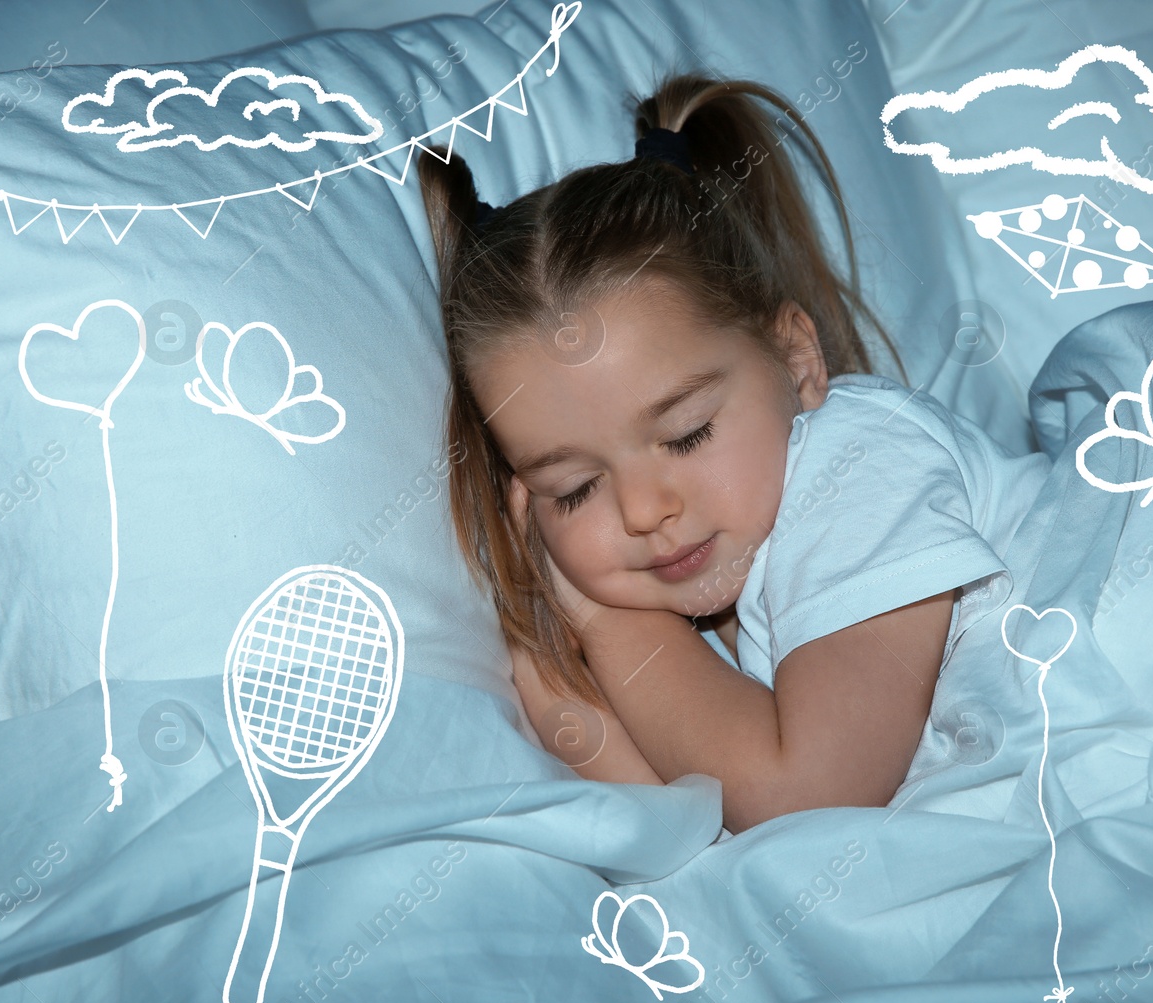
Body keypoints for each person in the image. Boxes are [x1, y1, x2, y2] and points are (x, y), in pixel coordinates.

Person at [417, 71, 1049, 834]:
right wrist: (555, 661)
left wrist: (613, 631)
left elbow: (804, 798)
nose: (647, 509)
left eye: (686, 435)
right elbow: (691, 832)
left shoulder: (858, 463)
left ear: (797, 359)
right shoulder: (676, 614)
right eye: (576, 487)